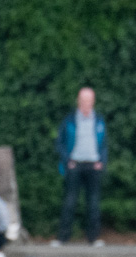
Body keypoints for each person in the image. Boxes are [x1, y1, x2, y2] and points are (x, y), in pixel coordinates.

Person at [52, 87, 107, 247]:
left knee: (93, 203)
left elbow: (104, 144)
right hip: (74, 165)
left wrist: (101, 161)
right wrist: (67, 159)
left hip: (93, 166)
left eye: (89, 100)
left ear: (93, 101)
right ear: (78, 101)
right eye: (83, 100)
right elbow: (59, 142)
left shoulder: (98, 120)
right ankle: (62, 238)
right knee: (70, 201)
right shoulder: (70, 120)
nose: (86, 103)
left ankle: (94, 238)